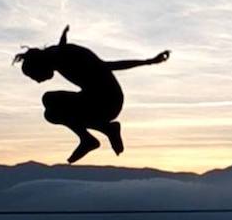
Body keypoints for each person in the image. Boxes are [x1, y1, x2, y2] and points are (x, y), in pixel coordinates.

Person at [13, 25, 170, 163]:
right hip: (95, 98)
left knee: (51, 106)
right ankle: (107, 130)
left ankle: (90, 138)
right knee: (50, 107)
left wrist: (148, 61)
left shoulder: (64, 57)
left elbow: (109, 66)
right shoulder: (57, 55)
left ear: (39, 65)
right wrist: (63, 36)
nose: (38, 81)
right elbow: (62, 47)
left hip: (108, 102)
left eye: (35, 76)